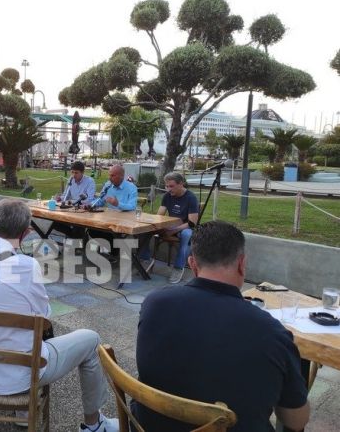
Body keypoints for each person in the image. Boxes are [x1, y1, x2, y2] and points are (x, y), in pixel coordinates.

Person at [0, 199, 118, 432]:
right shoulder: (28, 266)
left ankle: (23, 412)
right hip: (21, 377)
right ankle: (94, 424)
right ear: (27, 233)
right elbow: (44, 317)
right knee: (91, 340)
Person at [134, 221, 309, 432]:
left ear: (192, 264)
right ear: (242, 264)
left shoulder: (154, 303)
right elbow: (296, 421)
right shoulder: (272, 333)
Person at [141, 172, 199, 283]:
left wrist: (174, 230)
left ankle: (178, 268)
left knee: (187, 235)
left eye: (171, 186)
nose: (168, 189)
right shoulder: (167, 196)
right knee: (144, 229)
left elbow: (192, 223)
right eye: (166, 186)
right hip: (170, 226)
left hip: (184, 228)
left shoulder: (191, 198)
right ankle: (144, 259)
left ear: (181, 184)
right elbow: (159, 215)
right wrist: (154, 224)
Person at [88, 164, 137, 263]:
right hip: (109, 218)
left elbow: (132, 206)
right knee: (91, 229)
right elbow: (100, 201)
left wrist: (118, 204)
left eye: (113, 175)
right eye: (109, 175)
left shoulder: (131, 187)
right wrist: (90, 205)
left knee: (112, 231)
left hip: (125, 219)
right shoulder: (108, 185)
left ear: (121, 176)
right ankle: (112, 251)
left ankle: (113, 252)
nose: (109, 178)